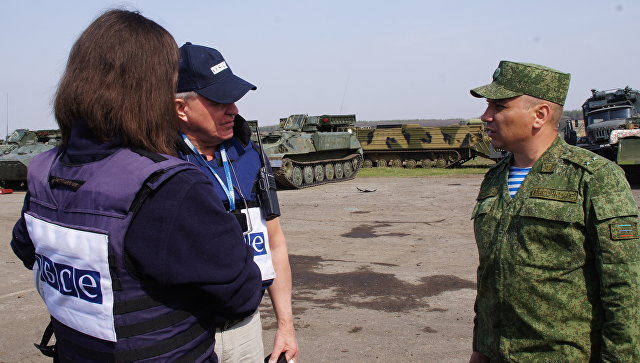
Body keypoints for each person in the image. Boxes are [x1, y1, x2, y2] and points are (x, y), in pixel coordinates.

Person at [10, 10, 262, 362]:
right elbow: (241, 293)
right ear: (152, 90)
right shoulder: (170, 186)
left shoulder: (44, 169)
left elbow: (26, 249)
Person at [468, 60, 640, 362]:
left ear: (540, 115)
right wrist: (480, 349)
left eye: (499, 106)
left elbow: (625, 289)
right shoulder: (495, 179)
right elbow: (490, 277)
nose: (486, 116)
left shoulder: (593, 178)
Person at [174, 43, 299, 363]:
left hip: (246, 331)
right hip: (184, 335)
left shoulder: (249, 156)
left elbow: (274, 243)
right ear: (180, 108)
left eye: (234, 99)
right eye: (219, 101)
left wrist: (286, 326)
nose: (234, 110)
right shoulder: (158, 166)